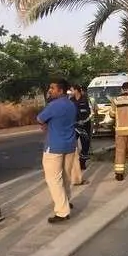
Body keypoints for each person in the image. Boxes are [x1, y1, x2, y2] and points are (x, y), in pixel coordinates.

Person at [37, 78, 77, 223]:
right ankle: (66, 201)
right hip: (70, 145)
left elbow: (40, 118)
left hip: (54, 147)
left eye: (52, 88)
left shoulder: (53, 105)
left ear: (60, 90)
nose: (50, 90)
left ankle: (62, 212)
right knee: (66, 177)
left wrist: (45, 124)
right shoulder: (71, 104)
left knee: (53, 180)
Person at [70, 85, 92, 170]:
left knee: (85, 145)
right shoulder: (70, 101)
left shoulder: (86, 99)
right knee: (71, 144)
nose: (70, 92)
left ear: (76, 90)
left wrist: (84, 120)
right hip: (74, 126)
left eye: (72, 90)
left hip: (85, 126)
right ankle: (73, 163)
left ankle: (82, 163)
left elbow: (92, 112)